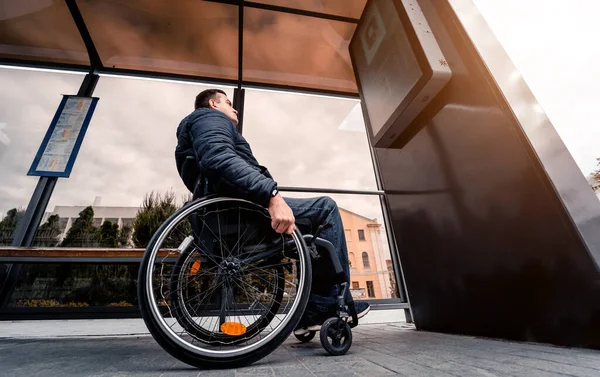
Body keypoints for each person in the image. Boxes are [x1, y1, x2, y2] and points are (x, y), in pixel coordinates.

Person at [174, 89, 370, 333]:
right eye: (228, 102)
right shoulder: (209, 118)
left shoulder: (197, 129)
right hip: (243, 214)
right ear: (213, 104)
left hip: (228, 215)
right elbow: (219, 159)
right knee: (325, 209)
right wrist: (271, 195)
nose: (234, 108)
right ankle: (326, 305)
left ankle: (310, 312)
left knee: (310, 236)